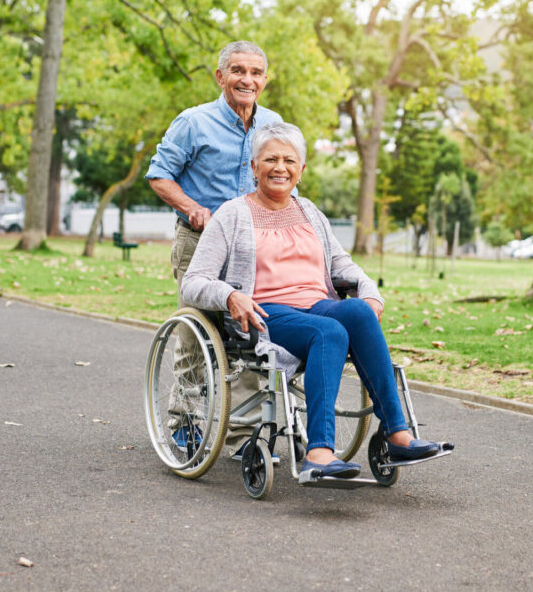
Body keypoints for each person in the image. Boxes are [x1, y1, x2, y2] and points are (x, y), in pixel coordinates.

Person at [180, 122, 441, 478]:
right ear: (253, 167)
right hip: (265, 313)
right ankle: (319, 452)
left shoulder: (310, 212)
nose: (280, 167)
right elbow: (192, 283)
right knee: (329, 332)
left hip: (317, 304)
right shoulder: (232, 215)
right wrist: (229, 295)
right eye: (270, 159)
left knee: (358, 313)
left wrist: (370, 292)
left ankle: (397, 433)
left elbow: (341, 264)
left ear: (301, 169)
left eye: (289, 160)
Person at [146, 41, 282, 457]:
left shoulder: (273, 125)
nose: (248, 79)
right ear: (220, 77)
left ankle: (243, 436)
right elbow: (159, 175)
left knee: (247, 333)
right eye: (238, 71)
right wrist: (193, 208)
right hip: (199, 241)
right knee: (197, 336)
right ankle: (184, 421)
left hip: (251, 246)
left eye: (256, 72)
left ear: (264, 80)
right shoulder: (194, 122)